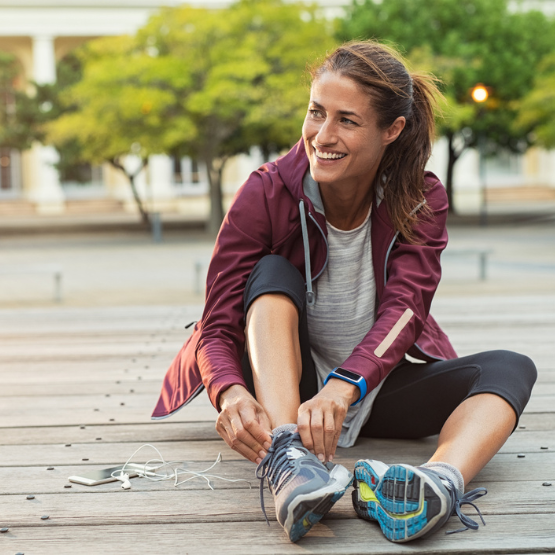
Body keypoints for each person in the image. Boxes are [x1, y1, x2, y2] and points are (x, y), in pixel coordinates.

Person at [152, 40, 537, 543]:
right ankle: (290, 462)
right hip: (289, 392)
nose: (322, 135)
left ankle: (438, 483)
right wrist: (229, 391)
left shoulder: (421, 198)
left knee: (511, 367)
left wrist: (346, 384)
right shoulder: (265, 192)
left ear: (392, 130)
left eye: (347, 121)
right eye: (316, 113)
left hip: (370, 386)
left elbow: (407, 309)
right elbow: (217, 323)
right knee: (270, 273)